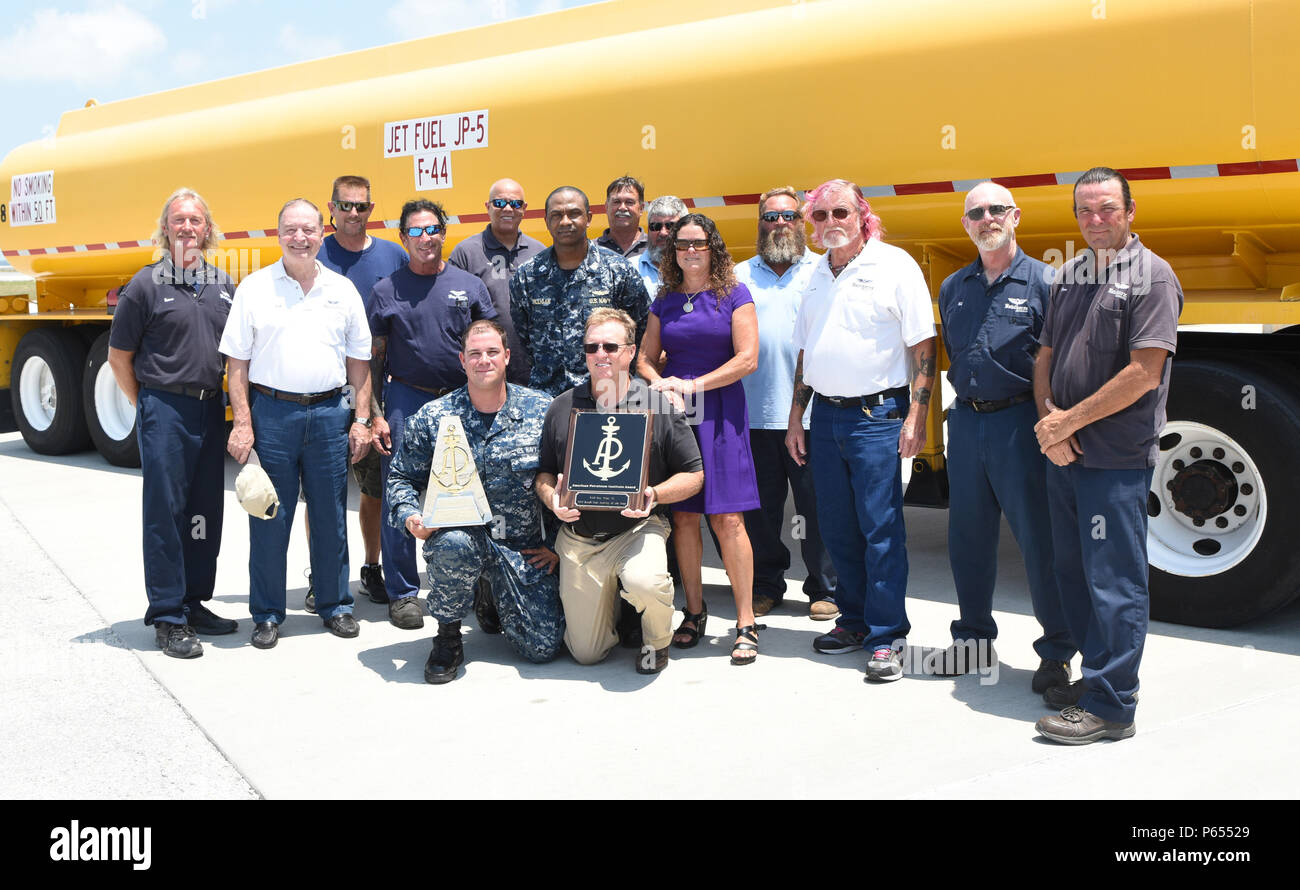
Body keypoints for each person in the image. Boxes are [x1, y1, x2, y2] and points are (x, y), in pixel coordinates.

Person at [1032, 167, 1182, 744]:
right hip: (1065, 453)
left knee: (1114, 579)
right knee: (1074, 573)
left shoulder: (1152, 277)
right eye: (1085, 212)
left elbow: (1144, 374)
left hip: (1114, 457)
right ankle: (1095, 679)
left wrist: (1068, 423)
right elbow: (1044, 355)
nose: (1095, 221)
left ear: (1130, 210)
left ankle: (1113, 707)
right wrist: (1051, 423)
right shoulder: (1068, 274)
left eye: (1106, 209)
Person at [786, 179, 937, 682]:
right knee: (836, 528)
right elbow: (806, 352)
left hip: (877, 418)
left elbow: (922, 346)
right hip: (824, 417)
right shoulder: (814, 274)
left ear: (862, 215)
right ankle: (852, 622)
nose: (830, 223)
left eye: (840, 213)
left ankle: (888, 635)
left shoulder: (894, 265)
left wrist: (917, 416)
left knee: (880, 529)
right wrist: (796, 418)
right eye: (821, 216)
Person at [933, 181, 1075, 690]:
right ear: (966, 224)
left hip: (1021, 424)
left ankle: (1057, 651)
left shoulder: (1046, 281)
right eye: (976, 213)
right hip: (968, 423)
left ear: (1015, 216)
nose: (987, 218)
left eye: (996, 210)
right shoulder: (954, 286)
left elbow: (1059, 361)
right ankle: (972, 641)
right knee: (967, 538)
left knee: (1040, 540)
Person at [220, 198, 373, 650]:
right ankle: (267, 614)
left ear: (322, 232)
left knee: (330, 515)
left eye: (308, 230)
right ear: (279, 233)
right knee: (269, 514)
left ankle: (335, 605)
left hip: (329, 414)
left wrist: (361, 419)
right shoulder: (254, 288)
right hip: (273, 414)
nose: (300, 238)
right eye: (291, 230)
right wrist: (243, 423)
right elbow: (236, 365)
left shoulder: (342, 290)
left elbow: (360, 362)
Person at [385, 319, 563, 684]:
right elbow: (400, 477)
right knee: (452, 544)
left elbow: (564, 477)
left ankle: (489, 594)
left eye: (492, 352)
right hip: (463, 538)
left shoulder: (541, 410)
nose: (484, 360)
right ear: (462, 361)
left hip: (520, 547)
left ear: (507, 357)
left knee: (542, 647)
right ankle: (448, 636)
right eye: (475, 354)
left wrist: (557, 544)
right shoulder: (435, 418)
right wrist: (410, 517)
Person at [107, 187, 238, 658]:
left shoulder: (224, 284)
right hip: (165, 410)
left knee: (205, 511)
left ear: (208, 230)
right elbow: (118, 356)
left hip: (209, 410)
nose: (187, 227)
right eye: (178, 220)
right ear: (165, 229)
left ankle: (194, 600)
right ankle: (166, 614)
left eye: (196, 220)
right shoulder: (145, 285)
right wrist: (147, 403)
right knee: (167, 512)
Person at [535, 309, 703, 674]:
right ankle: (614, 608)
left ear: (629, 352)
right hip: (580, 538)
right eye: (592, 347)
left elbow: (694, 475)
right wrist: (552, 499)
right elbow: (544, 474)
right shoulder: (562, 407)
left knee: (646, 581)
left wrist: (654, 496)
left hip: (637, 531)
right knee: (586, 653)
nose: (601, 354)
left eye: (610, 346)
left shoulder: (659, 405)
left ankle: (656, 641)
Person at [637, 213, 764, 664]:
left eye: (699, 243)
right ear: (673, 252)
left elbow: (747, 359)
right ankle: (693, 612)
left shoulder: (735, 294)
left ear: (714, 247)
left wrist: (692, 384)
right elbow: (645, 359)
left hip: (721, 413)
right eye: (682, 244)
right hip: (677, 416)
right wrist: (661, 382)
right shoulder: (665, 298)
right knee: (685, 520)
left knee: (727, 520)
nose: (690, 251)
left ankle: (745, 621)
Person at [369, 199, 496, 630]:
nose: (427, 238)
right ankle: (403, 592)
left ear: (444, 234)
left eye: (434, 229)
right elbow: (374, 359)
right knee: (400, 491)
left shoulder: (469, 284)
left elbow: (487, 344)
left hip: (463, 400)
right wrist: (375, 413)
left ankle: (480, 586)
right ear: (403, 238)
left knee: (472, 488)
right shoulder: (386, 290)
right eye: (417, 231)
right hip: (408, 400)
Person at [302, 174, 409, 613]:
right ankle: (320, 575)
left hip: (375, 390)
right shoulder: (314, 253)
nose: (352, 214)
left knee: (375, 488)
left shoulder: (392, 255)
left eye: (361, 207)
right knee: (320, 490)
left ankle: (371, 567)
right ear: (331, 209)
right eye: (344, 206)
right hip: (324, 389)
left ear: (371, 209)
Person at [736, 187, 838, 621]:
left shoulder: (824, 271)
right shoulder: (737, 275)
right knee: (760, 511)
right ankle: (766, 583)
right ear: (760, 224)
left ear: (803, 223)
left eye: (789, 216)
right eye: (771, 217)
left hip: (812, 415)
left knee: (818, 508)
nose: (780, 224)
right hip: (752, 414)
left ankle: (825, 587)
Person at [509, 186, 650, 397]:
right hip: (547, 397)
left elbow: (641, 330)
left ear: (589, 218)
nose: (565, 222)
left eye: (574, 214)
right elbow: (524, 338)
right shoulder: (527, 276)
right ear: (547, 221)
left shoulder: (618, 270)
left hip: (606, 395)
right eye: (556, 215)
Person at [447, 177, 545, 385]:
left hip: (532, 370)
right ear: (487, 207)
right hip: (483, 369)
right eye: (499, 203)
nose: (508, 208)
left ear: (524, 209)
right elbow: (453, 317)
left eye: (515, 203)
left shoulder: (540, 252)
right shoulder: (466, 253)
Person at [637, 195, 687, 296]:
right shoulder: (630, 268)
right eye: (656, 226)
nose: (663, 233)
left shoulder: (697, 268)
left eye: (671, 226)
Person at [595, 175, 647, 259]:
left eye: (629, 202)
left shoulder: (655, 248)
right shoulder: (591, 250)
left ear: (641, 208)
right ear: (607, 207)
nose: (622, 207)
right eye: (616, 202)